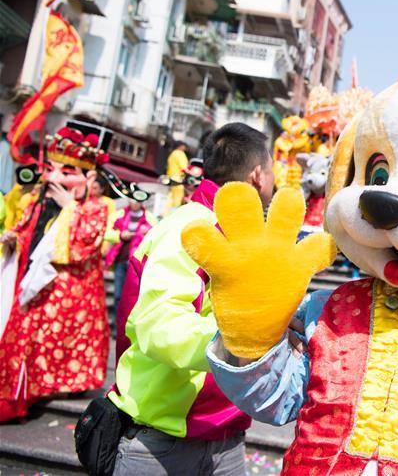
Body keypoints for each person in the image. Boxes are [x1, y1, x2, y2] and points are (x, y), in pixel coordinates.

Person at [107, 123, 275, 475]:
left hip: (225, 433)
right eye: (273, 168)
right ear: (258, 174)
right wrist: (240, 345)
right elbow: (159, 324)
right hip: (165, 437)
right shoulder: (193, 227)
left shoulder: (240, 232)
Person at [0, 128, 110, 421]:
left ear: (86, 177)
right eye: (51, 170)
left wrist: (70, 208)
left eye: (67, 172)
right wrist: (14, 238)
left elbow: (84, 245)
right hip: (36, 285)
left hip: (74, 290)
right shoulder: (40, 200)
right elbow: (27, 231)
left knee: (65, 339)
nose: (55, 179)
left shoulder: (95, 208)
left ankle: (59, 385)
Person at [105, 199, 155, 306]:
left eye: (138, 201)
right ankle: (116, 322)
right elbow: (106, 233)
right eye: (133, 200)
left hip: (138, 262)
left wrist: (144, 235)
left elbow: (155, 238)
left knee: (134, 296)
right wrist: (120, 235)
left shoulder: (150, 218)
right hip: (121, 260)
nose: (135, 203)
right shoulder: (118, 215)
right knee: (118, 295)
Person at [164, 142, 190, 213]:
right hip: (178, 179)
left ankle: (166, 213)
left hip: (171, 178)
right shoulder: (180, 153)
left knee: (170, 197)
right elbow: (184, 167)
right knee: (177, 199)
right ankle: (174, 213)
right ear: (180, 146)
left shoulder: (172, 154)